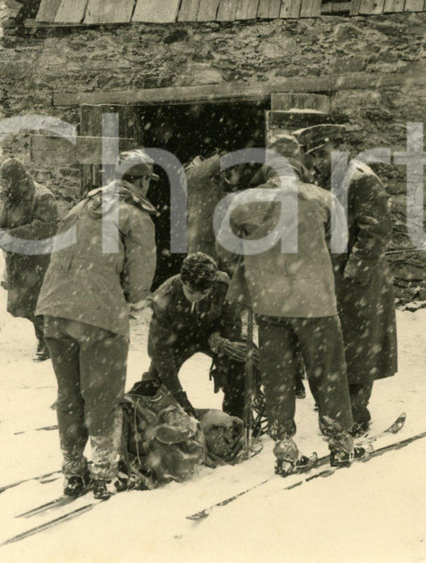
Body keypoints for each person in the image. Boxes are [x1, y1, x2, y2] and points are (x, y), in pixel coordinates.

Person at [34, 149, 158, 500]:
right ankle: (105, 473)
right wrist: (134, 302)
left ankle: (74, 471)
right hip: (98, 315)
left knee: (70, 396)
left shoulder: (78, 208)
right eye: (148, 181)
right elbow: (139, 277)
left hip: (55, 312)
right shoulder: (134, 216)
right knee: (102, 395)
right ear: (142, 180)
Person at [225, 150, 358, 476]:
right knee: (327, 372)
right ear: (299, 172)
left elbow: (227, 249)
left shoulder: (242, 202)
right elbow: (340, 243)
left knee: (277, 378)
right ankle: (340, 442)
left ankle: (284, 449)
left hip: (269, 305)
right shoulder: (323, 198)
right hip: (315, 304)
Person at [297, 124, 398, 436]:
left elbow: (375, 232)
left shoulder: (361, 179)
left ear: (338, 149)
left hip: (358, 283)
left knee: (357, 349)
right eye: (311, 155)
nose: (316, 161)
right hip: (332, 279)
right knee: (333, 346)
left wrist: (352, 275)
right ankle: (336, 405)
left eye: (321, 153)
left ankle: (355, 415)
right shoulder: (322, 182)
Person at [142, 252, 250, 418]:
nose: (198, 297)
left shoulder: (222, 285)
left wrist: (223, 359)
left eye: (205, 292)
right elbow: (159, 350)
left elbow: (232, 324)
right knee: (155, 384)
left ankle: (236, 420)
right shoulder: (164, 296)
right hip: (176, 341)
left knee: (240, 363)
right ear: (183, 281)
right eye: (192, 292)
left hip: (211, 337)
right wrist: (179, 397)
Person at [0, 157, 59, 360]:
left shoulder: (42, 196)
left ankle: (48, 341)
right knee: (27, 304)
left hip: (40, 258)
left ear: (16, 179)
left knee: (41, 302)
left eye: (6, 180)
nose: (3, 185)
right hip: (20, 258)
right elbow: (0, 223)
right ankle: (45, 338)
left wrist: (11, 236)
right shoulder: (11, 196)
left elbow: (44, 227)